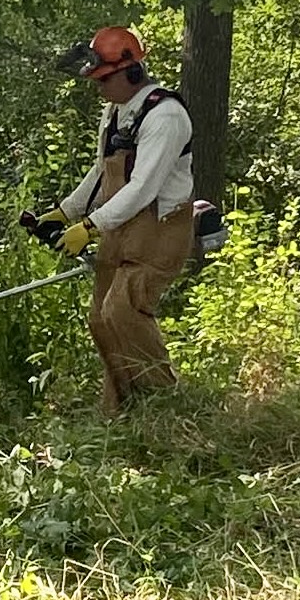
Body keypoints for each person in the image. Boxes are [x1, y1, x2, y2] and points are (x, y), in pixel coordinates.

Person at [39, 26, 195, 415]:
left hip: (160, 228)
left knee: (123, 311)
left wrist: (89, 227)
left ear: (133, 73)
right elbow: (100, 173)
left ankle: (166, 405)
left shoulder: (166, 116)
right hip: (120, 227)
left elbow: (142, 188)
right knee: (100, 319)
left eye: (104, 80)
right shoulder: (115, 113)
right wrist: (65, 213)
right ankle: (122, 410)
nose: (99, 88)